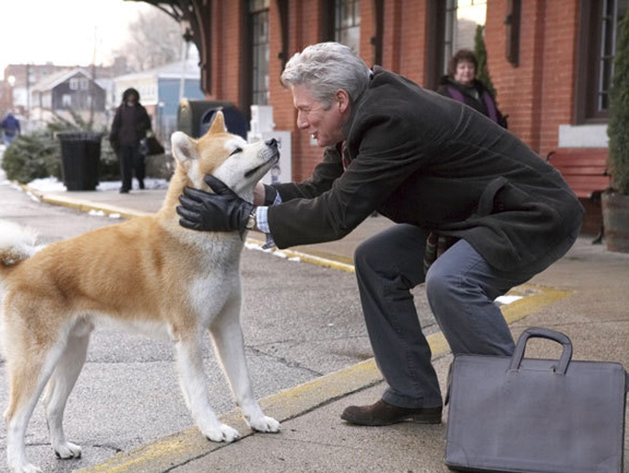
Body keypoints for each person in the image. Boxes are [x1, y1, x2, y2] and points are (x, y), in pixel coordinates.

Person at [176, 42, 583, 427]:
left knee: (451, 282)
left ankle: (524, 407)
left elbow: (337, 214)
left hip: (530, 214)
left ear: (339, 100)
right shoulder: (359, 113)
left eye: (304, 110)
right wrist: (253, 194)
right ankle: (412, 393)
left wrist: (241, 216)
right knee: (376, 261)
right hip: (473, 215)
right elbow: (323, 190)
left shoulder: (393, 120)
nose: (300, 123)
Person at [437, 49, 507, 128]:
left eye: (470, 67)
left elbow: (496, 117)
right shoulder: (445, 93)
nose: (467, 71)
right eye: (462, 67)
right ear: (454, 71)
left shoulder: (483, 92)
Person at [109, 88, 152, 193]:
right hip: (123, 142)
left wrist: (140, 128)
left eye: (133, 95)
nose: (131, 98)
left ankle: (140, 180)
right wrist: (113, 138)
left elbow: (148, 124)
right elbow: (116, 125)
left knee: (138, 163)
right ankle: (126, 186)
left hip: (137, 142)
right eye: (129, 95)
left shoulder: (141, 109)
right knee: (125, 165)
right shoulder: (121, 110)